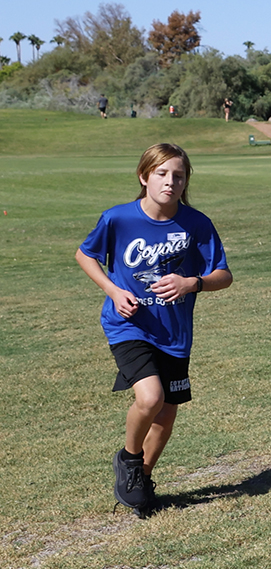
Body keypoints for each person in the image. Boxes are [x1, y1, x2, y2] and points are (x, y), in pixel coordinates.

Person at [75, 143, 233, 518]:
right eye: (162, 174)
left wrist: (190, 283)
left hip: (174, 334)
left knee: (166, 416)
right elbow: (85, 254)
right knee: (150, 399)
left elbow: (223, 276)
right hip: (129, 325)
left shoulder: (197, 224)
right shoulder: (118, 219)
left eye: (178, 175)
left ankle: (141, 480)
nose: (170, 181)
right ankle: (129, 460)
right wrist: (113, 291)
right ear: (144, 177)